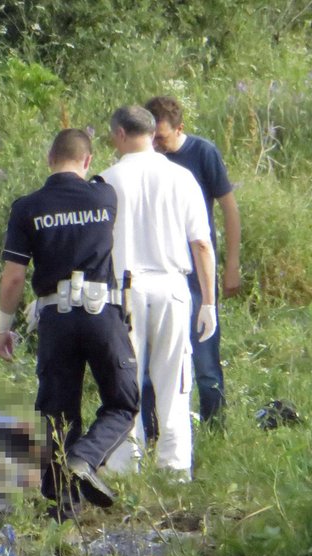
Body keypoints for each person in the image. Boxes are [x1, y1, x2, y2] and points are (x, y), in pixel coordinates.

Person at [0, 129, 139, 520]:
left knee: (58, 415)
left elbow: (13, 278)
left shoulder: (27, 207)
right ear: (88, 160)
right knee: (123, 403)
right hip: (101, 314)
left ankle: (64, 512)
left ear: (48, 158)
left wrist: (2, 327)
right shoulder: (105, 196)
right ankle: (85, 459)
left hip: (55, 317)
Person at [100, 105, 217, 481]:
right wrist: (209, 302)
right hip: (172, 285)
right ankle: (175, 467)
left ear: (119, 134)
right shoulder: (181, 177)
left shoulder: (106, 181)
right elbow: (201, 243)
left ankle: (123, 466)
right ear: (152, 133)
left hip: (125, 286)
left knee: (124, 380)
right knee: (175, 379)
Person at [141, 95, 240, 429]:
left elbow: (229, 208)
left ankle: (214, 428)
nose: (155, 145)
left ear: (180, 129)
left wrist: (231, 265)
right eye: (150, 138)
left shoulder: (202, 153)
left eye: (162, 139)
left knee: (205, 357)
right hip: (157, 269)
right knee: (153, 359)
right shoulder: (143, 159)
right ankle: (154, 428)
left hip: (198, 270)